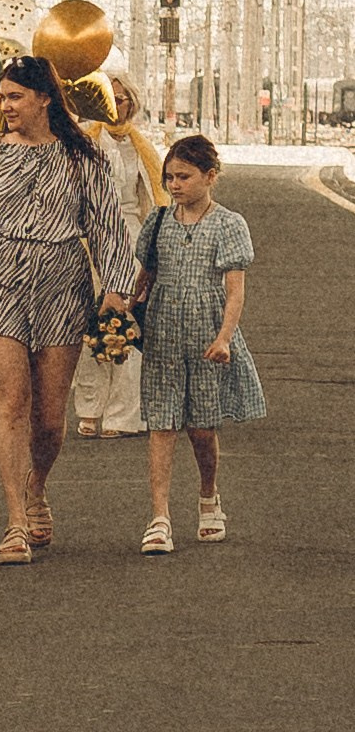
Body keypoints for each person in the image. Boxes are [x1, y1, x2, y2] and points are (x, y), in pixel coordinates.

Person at [0, 54, 135, 564]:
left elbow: (108, 225)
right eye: (2, 97)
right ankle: (13, 523)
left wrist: (115, 289)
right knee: (11, 401)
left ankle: (37, 485)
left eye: (14, 97)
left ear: (44, 98)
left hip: (61, 283)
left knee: (49, 419)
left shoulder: (82, 154)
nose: (4, 106)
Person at [134, 135, 264, 552]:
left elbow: (235, 290)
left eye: (184, 177)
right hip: (163, 332)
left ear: (210, 177)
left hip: (208, 334)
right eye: (169, 177)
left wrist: (225, 337)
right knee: (162, 423)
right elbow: (145, 277)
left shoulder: (229, 224)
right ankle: (159, 517)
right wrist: (123, 315)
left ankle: (209, 497)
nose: (174, 185)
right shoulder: (157, 223)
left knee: (202, 429)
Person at [71, 71, 164, 441]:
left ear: (131, 103)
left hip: (131, 238)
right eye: (107, 97)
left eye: (121, 98)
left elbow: (155, 201)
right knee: (87, 325)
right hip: (85, 239)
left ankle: (124, 412)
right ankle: (90, 407)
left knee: (128, 322)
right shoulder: (80, 143)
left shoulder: (142, 148)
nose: (114, 104)